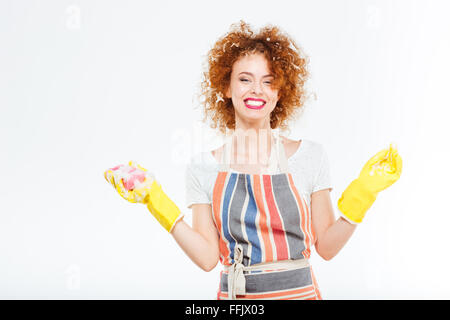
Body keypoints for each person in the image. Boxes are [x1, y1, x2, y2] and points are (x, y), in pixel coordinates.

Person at [104, 20, 402, 300]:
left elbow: (327, 247)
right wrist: (157, 202)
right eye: (244, 79)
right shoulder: (202, 168)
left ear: (279, 93)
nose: (256, 90)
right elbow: (208, 259)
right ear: (226, 87)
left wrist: (364, 192)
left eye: (268, 81)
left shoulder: (310, 156)